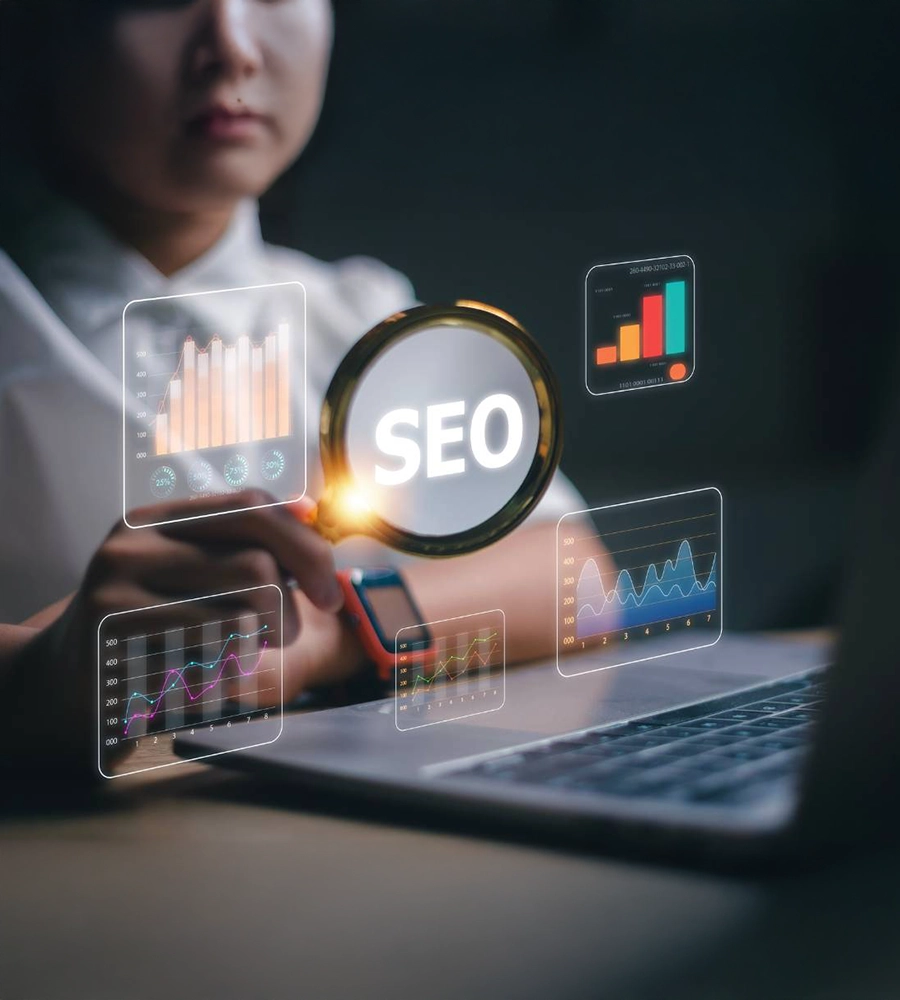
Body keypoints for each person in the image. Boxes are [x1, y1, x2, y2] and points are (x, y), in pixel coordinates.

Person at [0, 0, 601, 775]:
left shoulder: (357, 313)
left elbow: (573, 567)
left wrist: (333, 632)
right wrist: (40, 672)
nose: (232, 48)